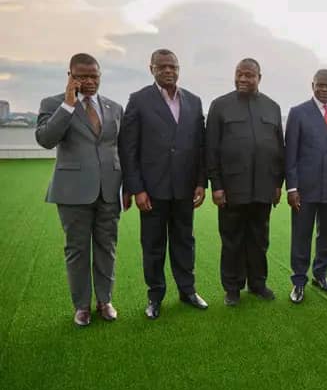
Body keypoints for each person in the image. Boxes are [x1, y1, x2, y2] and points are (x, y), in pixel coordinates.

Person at [119, 48, 208, 319]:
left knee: (185, 242)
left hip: (184, 189)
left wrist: (200, 182)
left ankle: (187, 291)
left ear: (179, 69)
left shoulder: (193, 101)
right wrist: (137, 188)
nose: (168, 71)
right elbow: (128, 148)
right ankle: (155, 296)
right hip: (152, 190)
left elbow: (200, 146)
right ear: (152, 69)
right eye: (162, 66)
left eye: (173, 66)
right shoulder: (138, 100)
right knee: (153, 245)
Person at [36, 53, 124, 326]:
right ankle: (82, 306)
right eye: (82, 76)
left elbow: (120, 148)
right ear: (70, 76)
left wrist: (128, 186)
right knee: (77, 250)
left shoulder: (114, 107)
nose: (89, 81)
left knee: (107, 247)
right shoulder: (53, 104)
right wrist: (68, 104)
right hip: (73, 192)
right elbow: (46, 139)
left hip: (109, 191)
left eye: (94, 76)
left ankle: (105, 301)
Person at [206, 58, 284, 305]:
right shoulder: (220, 106)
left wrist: (277, 184)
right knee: (232, 240)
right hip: (232, 189)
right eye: (239, 74)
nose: (242, 79)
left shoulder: (272, 107)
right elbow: (211, 149)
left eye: (249, 75)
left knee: (259, 240)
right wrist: (217, 185)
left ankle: (258, 284)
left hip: (263, 188)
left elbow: (279, 150)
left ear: (259, 78)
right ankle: (232, 289)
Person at [284, 69, 327, 303]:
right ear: (312, 85)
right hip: (304, 190)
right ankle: (299, 282)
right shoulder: (298, 112)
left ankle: (320, 275)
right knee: (301, 236)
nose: (324, 89)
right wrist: (292, 188)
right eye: (320, 85)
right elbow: (290, 153)